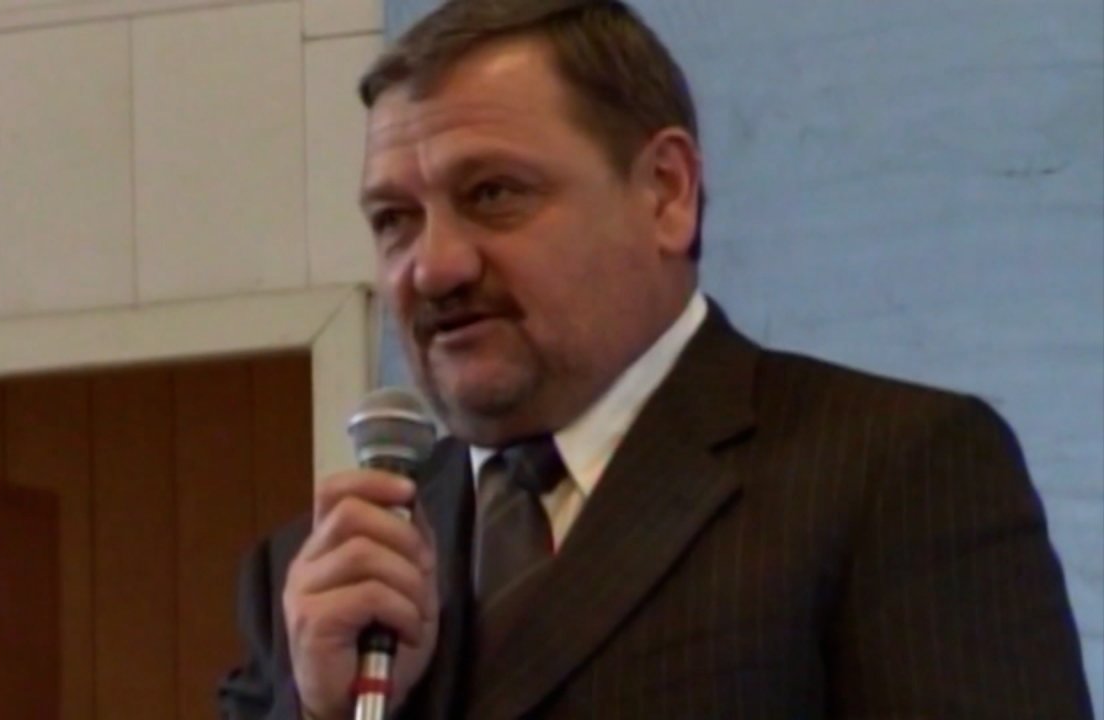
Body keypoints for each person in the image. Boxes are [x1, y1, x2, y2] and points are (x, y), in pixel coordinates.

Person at [220, 1, 1092, 717]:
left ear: (666, 192)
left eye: (493, 194)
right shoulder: (315, 581)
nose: (432, 266)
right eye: (393, 221)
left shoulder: (890, 471)